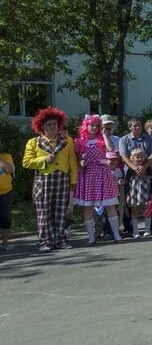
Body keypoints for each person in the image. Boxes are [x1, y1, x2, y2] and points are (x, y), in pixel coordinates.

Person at [22, 107, 78, 251]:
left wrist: (73, 181)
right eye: (49, 124)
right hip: (43, 180)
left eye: (54, 124)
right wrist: (44, 159)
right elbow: (26, 162)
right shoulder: (33, 142)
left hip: (62, 179)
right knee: (43, 212)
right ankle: (45, 241)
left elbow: (72, 162)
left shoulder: (67, 141)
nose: (53, 127)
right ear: (41, 126)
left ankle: (61, 240)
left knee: (61, 211)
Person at [74, 115, 122, 245]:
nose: (94, 128)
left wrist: (104, 135)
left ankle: (116, 235)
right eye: (92, 125)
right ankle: (91, 237)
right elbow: (77, 158)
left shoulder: (102, 139)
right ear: (86, 126)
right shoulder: (79, 142)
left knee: (110, 205)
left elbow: (111, 149)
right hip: (88, 175)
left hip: (103, 172)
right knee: (88, 207)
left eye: (97, 126)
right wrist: (81, 161)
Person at [0, 141, 14, 251]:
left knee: (5, 219)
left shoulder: (6, 157)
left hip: (5, 192)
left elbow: (9, 169)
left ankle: (5, 244)